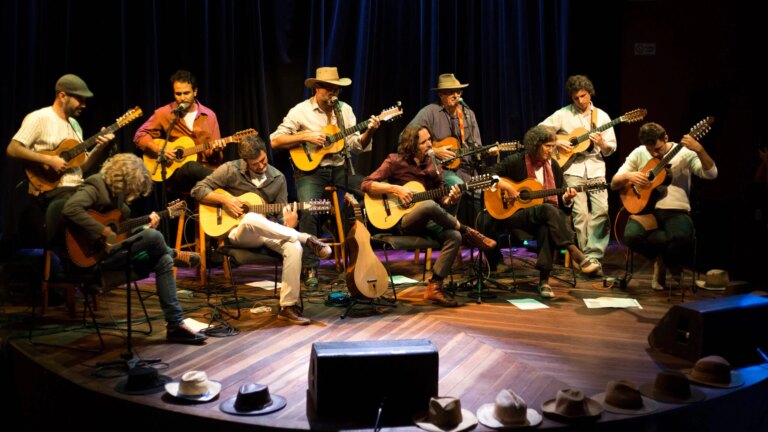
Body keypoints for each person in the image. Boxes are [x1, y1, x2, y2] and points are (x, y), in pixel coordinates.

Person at [61, 153, 207, 344]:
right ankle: (173, 253)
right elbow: (70, 209)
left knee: (162, 258)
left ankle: (175, 324)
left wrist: (145, 226)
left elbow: (121, 234)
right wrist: (102, 230)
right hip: (90, 258)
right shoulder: (95, 186)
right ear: (124, 179)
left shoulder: (117, 196)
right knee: (154, 237)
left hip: (112, 252)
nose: (133, 194)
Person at [191, 135, 332, 325]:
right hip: (239, 233)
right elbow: (197, 190)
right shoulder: (230, 170)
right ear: (245, 161)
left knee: (294, 247)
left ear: (265, 152)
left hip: (268, 232)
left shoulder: (278, 178)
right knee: (251, 218)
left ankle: (287, 307)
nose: (260, 166)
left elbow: (280, 220)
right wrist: (226, 200)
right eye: (255, 164)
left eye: (263, 160)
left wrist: (288, 224)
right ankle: (306, 238)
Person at [360, 125, 497, 307]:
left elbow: (442, 202)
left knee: (454, 235)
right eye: (423, 142)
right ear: (412, 145)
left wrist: (451, 199)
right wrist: (396, 189)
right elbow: (366, 184)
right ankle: (468, 231)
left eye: (430, 140)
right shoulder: (395, 161)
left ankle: (435, 287)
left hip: (428, 221)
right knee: (428, 205)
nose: (429, 144)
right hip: (402, 221)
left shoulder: (434, 164)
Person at [270, 66, 380, 287]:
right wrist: (306, 136)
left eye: (336, 89)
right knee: (310, 210)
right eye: (329, 88)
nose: (333, 93)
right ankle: (310, 267)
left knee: (371, 189)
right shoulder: (300, 111)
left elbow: (356, 145)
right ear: (317, 88)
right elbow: (275, 140)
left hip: (340, 169)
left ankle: (361, 259)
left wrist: (370, 131)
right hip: (311, 171)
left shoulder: (344, 110)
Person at [482, 125, 600, 299]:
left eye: (553, 146)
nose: (551, 150)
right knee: (548, 210)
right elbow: (487, 176)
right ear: (535, 145)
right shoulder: (517, 161)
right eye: (547, 146)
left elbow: (563, 205)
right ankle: (576, 253)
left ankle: (544, 281)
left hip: (541, 219)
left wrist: (567, 198)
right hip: (514, 216)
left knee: (547, 223)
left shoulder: (553, 167)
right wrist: (507, 187)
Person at [6, 74, 115, 243]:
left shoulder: (75, 125)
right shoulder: (39, 118)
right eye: (80, 99)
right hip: (53, 189)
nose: (84, 105)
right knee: (82, 199)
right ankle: (103, 240)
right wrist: (49, 160)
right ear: (62, 96)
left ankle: (114, 247)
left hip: (77, 188)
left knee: (115, 201)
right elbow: (13, 149)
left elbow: (82, 167)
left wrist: (100, 147)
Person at [610, 122, 717, 290]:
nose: (654, 153)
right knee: (630, 236)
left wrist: (700, 150)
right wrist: (628, 176)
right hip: (646, 211)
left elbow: (711, 174)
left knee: (682, 236)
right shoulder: (639, 152)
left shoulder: (685, 153)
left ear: (666, 138)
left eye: (657, 149)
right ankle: (661, 258)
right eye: (650, 150)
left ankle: (664, 260)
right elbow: (614, 183)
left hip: (676, 210)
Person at [539, 75, 616, 275]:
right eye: (575, 98)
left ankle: (594, 256)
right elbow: (539, 130)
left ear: (590, 93)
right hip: (572, 169)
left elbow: (610, 149)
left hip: (596, 168)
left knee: (601, 211)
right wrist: (556, 141)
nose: (580, 101)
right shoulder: (563, 114)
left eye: (583, 96)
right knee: (580, 214)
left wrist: (601, 143)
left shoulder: (602, 117)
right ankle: (585, 258)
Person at [133, 69, 223, 192]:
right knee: (191, 167)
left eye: (186, 93)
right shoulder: (165, 113)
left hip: (205, 171)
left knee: (231, 168)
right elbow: (139, 135)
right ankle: (222, 181)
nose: (182, 98)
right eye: (178, 94)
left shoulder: (209, 116)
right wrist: (160, 150)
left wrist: (216, 151)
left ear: (195, 92)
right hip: (177, 174)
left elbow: (216, 159)